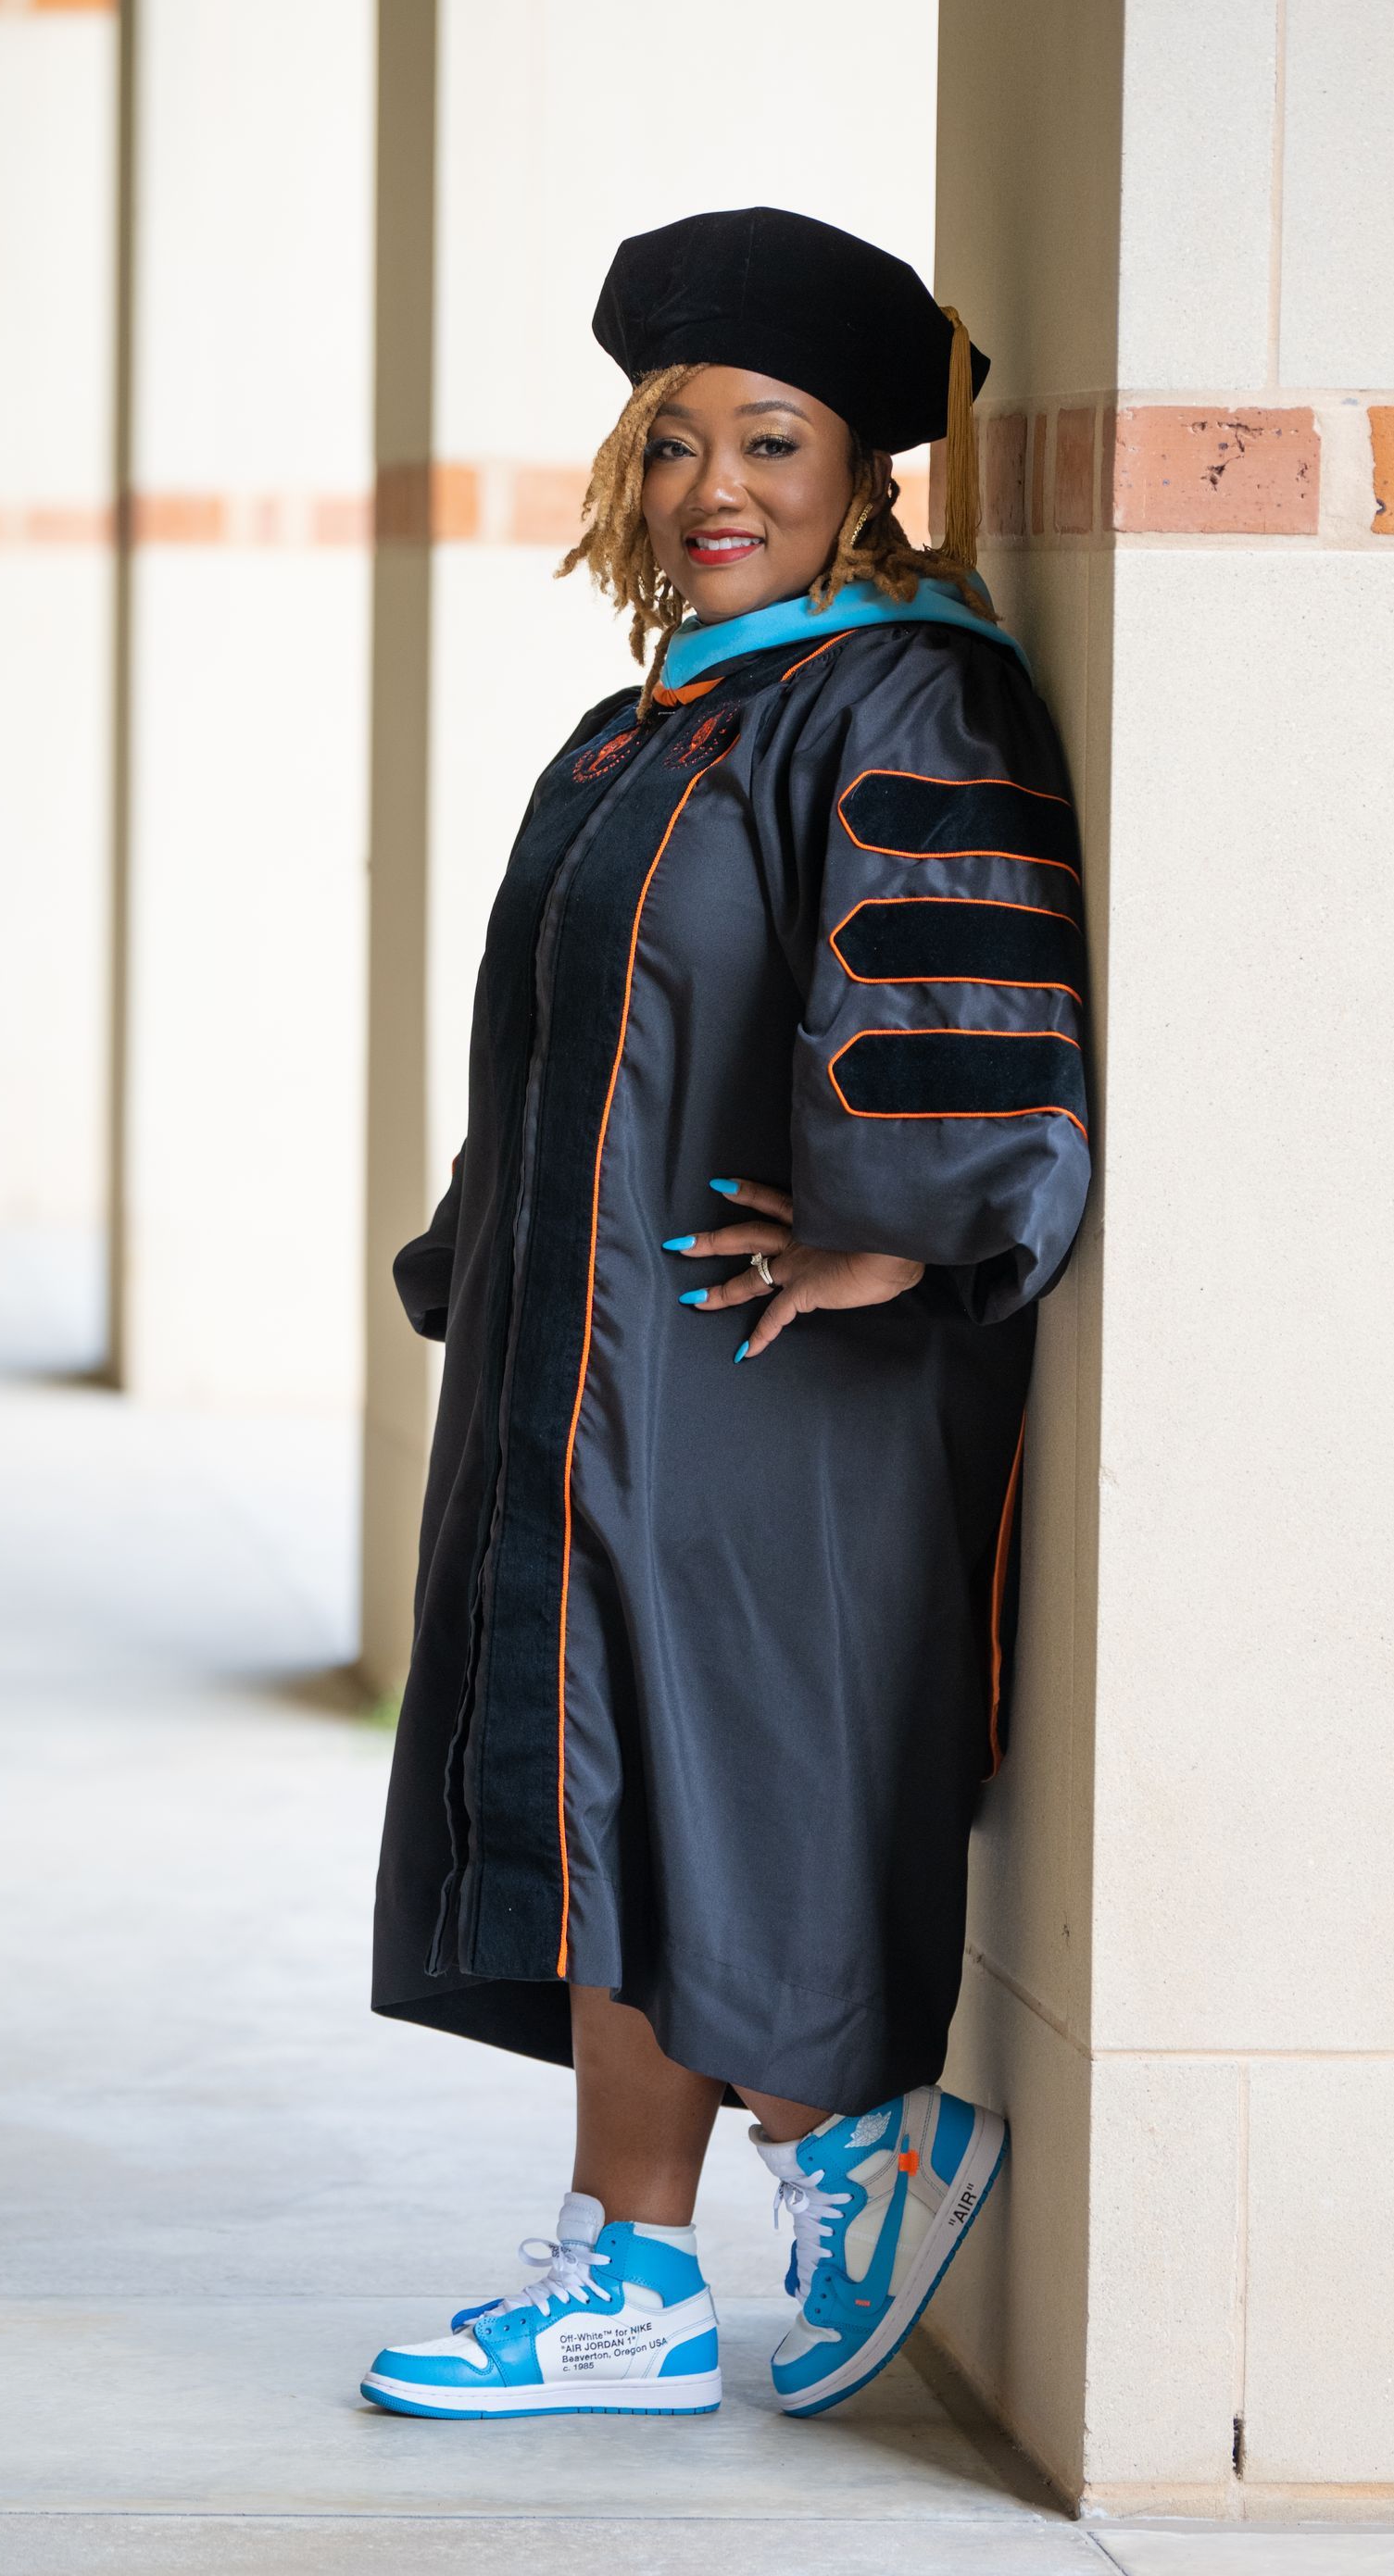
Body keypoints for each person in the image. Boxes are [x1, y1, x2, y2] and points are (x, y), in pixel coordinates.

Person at [361, 206, 1090, 2420]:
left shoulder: (905, 688)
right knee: (607, 1787)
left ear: (867, 466)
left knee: (704, 1779)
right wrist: (479, 1256)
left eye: (770, 439)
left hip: (773, 1373)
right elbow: (564, 1036)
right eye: (672, 444)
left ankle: (760, 2192)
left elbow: (969, 974)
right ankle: (700, 2230)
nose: (713, 492)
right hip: (596, 1349)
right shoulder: (644, 719)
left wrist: (898, 1219)